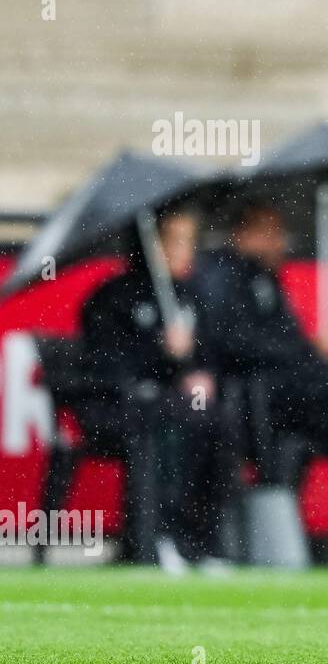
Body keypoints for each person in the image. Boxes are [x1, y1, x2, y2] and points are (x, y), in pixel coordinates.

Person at [192, 201, 328, 569]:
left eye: (279, 232)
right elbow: (233, 342)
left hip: (294, 398)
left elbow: (286, 339)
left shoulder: (266, 279)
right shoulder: (222, 276)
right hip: (259, 400)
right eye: (268, 232)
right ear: (242, 235)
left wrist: (317, 348)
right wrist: (307, 350)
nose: (278, 241)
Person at [77, 208, 225, 571]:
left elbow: (209, 355)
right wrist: (157, 350)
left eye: (189, 242)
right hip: (118, 406)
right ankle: (154, 535)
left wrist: (199, 368)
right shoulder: (112, 297)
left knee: (220, 424)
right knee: (169, 421)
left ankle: (202, 542)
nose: (184, 251)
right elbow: (105, 366)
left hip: (176, 405)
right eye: (175, 241)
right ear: (150, 244)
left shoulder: (188, 298)